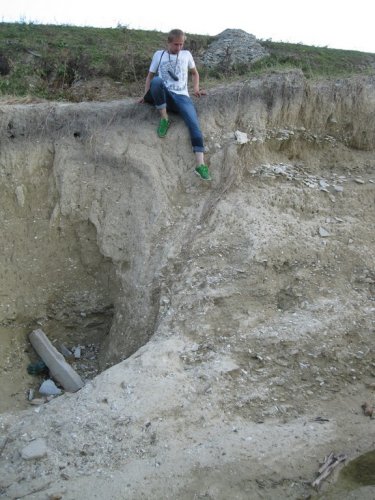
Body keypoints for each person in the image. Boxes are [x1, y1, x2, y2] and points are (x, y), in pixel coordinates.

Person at [139, 29, 212, 181]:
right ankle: (164, 118)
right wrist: (146, 95)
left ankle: (200, 165)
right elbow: (150, 77)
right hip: (163, 95)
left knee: (194, 124)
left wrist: (196, 88)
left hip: (181, 97)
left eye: (181, 44)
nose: (179, 48)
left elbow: (194, 73)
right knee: (158, 81)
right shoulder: (159, 55)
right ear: (169, 42)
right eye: (176, 44)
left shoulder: (186, 55)